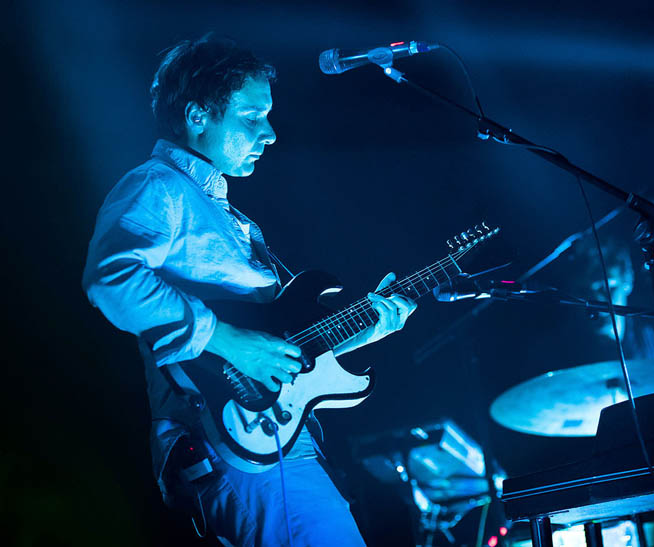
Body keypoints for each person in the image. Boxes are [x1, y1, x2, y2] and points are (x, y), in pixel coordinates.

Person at [82, 33, 416, 546]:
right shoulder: (158, 186)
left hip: (274, 441)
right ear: (198, 117)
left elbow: (282, 348)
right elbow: (111, 280)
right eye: (252, 116)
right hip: (226, 440)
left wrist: (368, 327)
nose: (271, 133)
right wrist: (231, 342)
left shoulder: (225, 214)